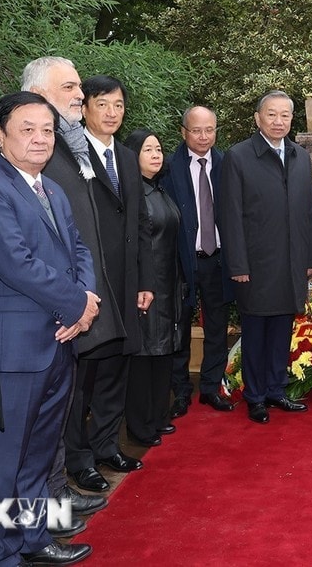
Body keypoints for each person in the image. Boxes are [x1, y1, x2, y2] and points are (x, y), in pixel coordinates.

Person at [0, 91, 98, 567]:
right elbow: (14, 263)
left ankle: (33, 538)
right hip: (17, 351)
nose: (40, 138)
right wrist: (77, 305)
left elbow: (80, 251)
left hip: (60, 342)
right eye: (27, 129)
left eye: (47, 129)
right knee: (2, 462)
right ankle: (2, 555)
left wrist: (84, 302)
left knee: (39, 454)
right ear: (1, 136)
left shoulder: (51, 188)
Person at [18, 57, 111, 514]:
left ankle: (56, 493)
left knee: (55, 418)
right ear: (38, 93)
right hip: (40, 318)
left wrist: (85, 297)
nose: (80, 94)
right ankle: (41, 510)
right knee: (33, 429)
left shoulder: (69, 147)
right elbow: (24, 256)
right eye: (70, 87)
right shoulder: (22, 162)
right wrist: (75, 302)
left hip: (71, 309)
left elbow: (78, 239)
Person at [62, 75, 153, 488]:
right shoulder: (66, 155)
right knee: (83, 378)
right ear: (84, 109)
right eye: (102, 104)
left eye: (118, 105)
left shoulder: (128, 157)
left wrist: (144, 280)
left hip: (126, 282)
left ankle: (107, 447)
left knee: (116, 369)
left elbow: (141, 225)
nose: (112, 113)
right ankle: (79, 460)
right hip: (89, 286)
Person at [218, 91, 312, 424]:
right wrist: (238, 265)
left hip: (292, 262)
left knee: (282, 330)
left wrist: (311, 257)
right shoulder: (239, 156)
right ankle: (256, 396)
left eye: (285, 116)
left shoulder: (301, 157)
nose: (279, 122)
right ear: (258, 118)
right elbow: (230, 216)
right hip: (256, 264)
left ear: (293, 119)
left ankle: (277, 390)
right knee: (257, 333)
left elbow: (308, 212)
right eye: (272, 115)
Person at [161, 106, 235, 418]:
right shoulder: (167, 168)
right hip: (181, 262)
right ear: (183, 132)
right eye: (196, 130)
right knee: (179, 327)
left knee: (218, 327)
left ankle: (210, 387)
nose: (203, 137)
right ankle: (180, 392)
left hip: (218, 260)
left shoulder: (227, 164)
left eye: (209, 130)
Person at [123, 129, 184, 446]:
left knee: (163, 352)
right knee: (144, 355)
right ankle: (139, 424)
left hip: (168, 283)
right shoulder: (131, 195)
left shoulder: (160, 191)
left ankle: (159, 416)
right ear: (132, 156)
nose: (156, 155)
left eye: (159, 149)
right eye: (148, 150)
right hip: (145, 286)